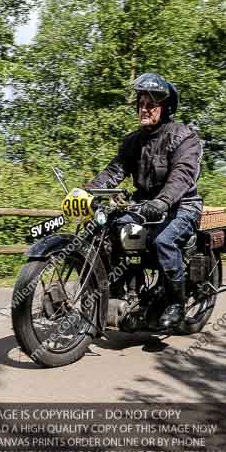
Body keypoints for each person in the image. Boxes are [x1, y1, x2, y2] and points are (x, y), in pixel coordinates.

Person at [86, 72, 203, 329]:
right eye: (141, 102)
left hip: (181, 205)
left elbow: (182, 175)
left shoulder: (184, 136)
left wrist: (163, 201)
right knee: (111, 229)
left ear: (166, 107)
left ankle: (176, 301)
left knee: (163, 240)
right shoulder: (133, 141)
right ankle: (122, 289)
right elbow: (114, 172)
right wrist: (87, 192)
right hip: (143, 205)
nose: (144, 108)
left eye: (151, 104)